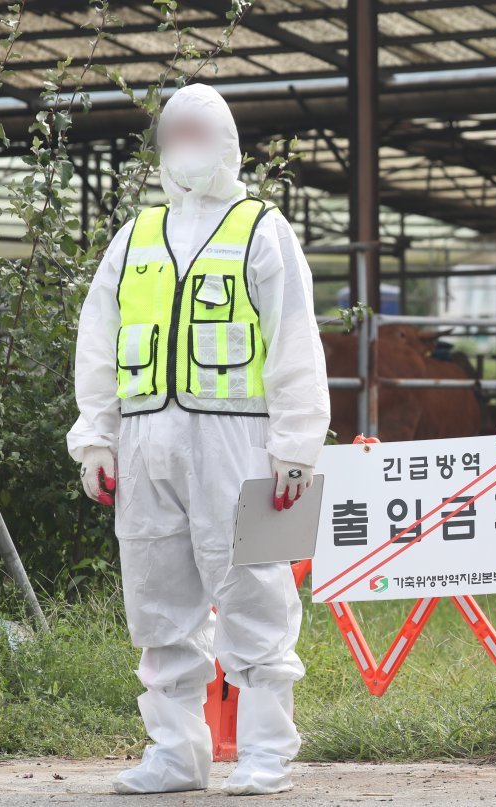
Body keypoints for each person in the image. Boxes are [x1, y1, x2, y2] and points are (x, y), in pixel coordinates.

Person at [66, 83, 330, 796]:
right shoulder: (137, 236)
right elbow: (98, 340)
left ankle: (266, 750)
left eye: (199, 132)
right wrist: (97, 436)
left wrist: (298, 447)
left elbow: (295, 341)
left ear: (227, 143)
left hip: (242, 444)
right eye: (174, 132)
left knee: (256, 592)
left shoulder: (261, 228)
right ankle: (176, 753)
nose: (185, 145)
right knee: (157, 599)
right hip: (148, 441)